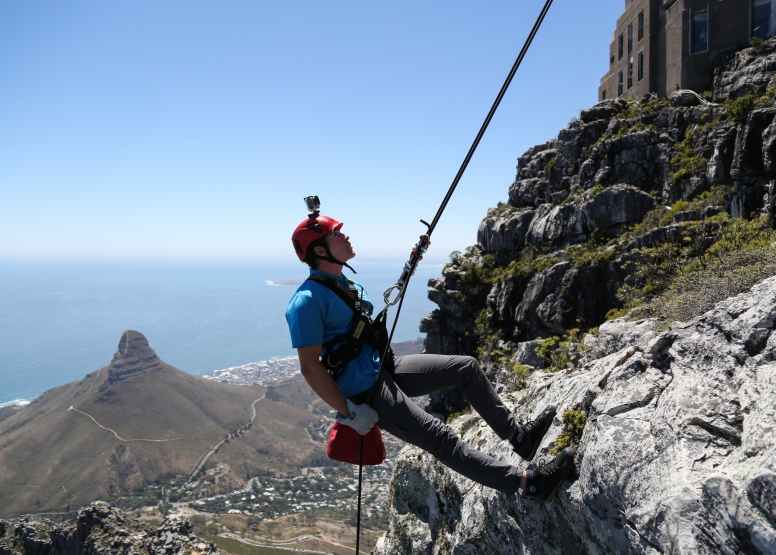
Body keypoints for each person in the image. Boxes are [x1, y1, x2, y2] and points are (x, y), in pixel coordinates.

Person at [285, 210, 574, 502]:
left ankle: (519, 437)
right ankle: (531, 484)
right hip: (366, 390)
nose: (345, 236)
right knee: (439, 437)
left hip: (383, 367)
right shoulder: (306, 301)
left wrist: (411, 263)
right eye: (335, 234)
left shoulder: (342, 283)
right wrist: (350, 412)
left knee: (466, 369)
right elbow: (310, 368)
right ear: (320, 250)